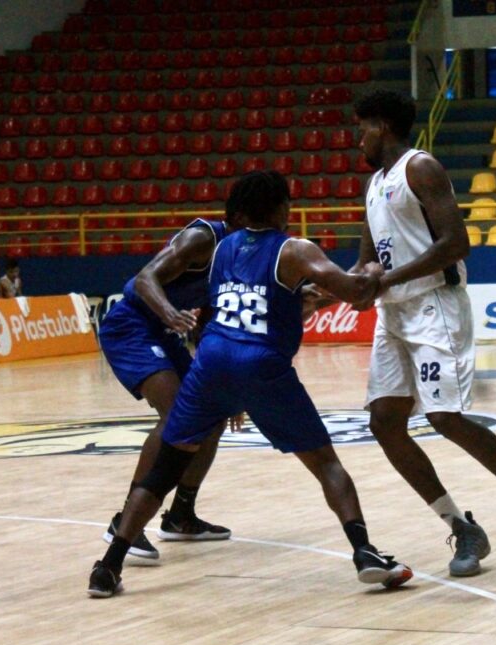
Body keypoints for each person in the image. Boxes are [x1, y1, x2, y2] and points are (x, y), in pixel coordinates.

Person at [88, 171, 411, 598]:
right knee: (325, 462)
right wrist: (372, 274)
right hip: (248, 361)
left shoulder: (223, 250)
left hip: (213, 360)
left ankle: (109, 566)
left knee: (169, 462)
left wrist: (228, 387)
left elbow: (245, 309)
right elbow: (354, 292)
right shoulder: (294, 249)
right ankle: (364, 552)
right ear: (283, 209)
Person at [352, 89, 496, 577]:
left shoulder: (421, 168)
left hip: (434, 306)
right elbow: (368, 261)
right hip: (394, 315)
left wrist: (382, 280)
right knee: (384, 423)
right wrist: (340, 288)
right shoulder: (373, 185)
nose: (358, 140)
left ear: (383, 127)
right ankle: (461, 525)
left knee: (445, 417)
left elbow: (458, 243)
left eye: (363, 128)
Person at [96, 207, 246, 562]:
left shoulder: (237, 257)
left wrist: (228, 387)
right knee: (175, 414)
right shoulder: (203, 238)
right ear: (240, 219)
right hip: (131, 325)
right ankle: (125, 523)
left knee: (209, 415)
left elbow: (214, 325)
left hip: (164, 332)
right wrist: (169, 314)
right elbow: (146, 277)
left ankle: (180, 515)